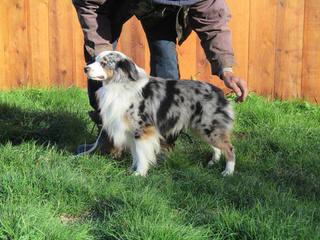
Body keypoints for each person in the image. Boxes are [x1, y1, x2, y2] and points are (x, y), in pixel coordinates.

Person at [72, 0, 248, 154]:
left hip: (162, 10)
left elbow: (213, 21)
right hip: (110, 4)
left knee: (166, 64)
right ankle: (110, 136)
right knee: (100, 66)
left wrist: (226, 69)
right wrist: (102, 57)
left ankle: (163, 141)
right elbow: (89, 7)